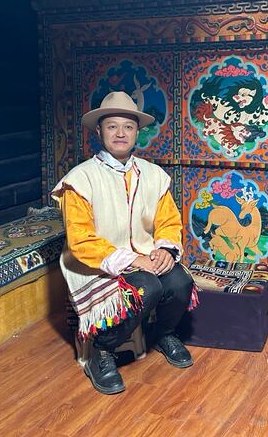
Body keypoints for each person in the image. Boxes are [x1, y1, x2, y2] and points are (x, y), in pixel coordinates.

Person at [51, 91, 197, 395]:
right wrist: (131, 261)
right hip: (97, 262)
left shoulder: (154, 175)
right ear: (99, 131)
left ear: (137, 133)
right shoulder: (80, 180)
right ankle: (101, 352)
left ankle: (163, 334)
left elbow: (169, 221)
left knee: (180, 282)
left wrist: (166, 250)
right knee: (148, 287)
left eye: (128, 127)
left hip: (145, 255)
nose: (120, 133)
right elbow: (81, 240)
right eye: (112, 126)